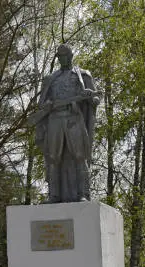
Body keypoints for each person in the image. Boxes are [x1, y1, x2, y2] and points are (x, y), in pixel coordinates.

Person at [34, 44, 99, 203]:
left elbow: (96, 99)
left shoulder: (82, 76)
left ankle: (82, 193)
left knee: (79, 155)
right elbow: (41, 104)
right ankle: (54, 195)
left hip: (73, 118)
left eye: (64, 56)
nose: (61, 59)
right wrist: (47, 105)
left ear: (70, 56)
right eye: (59, 56)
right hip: (55, 119)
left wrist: (91, 97)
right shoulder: (51, 79)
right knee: (53, 157)